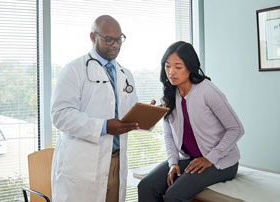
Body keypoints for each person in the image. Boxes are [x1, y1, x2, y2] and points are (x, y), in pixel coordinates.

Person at [137, 41, 245, 202]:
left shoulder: (207, 91)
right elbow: (168, 135)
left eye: (178, 67)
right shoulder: (168, 96)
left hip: (221, 162)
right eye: (167, 66)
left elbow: (236, 129)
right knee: (146, 186)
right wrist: (173, 163)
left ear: (190, 67)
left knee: (174, 195)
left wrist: (210, 158)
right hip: (189, 158)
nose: (171, 72)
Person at [51, 15, 139, 202]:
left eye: (119, 39)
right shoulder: (74, 70)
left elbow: (129, 111)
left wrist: (145, 113)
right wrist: (104, 127)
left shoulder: (125, 74)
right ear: (93, 37)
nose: (115, 45)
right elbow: (60, 115)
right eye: (108, 40)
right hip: (83, 163)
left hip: (115, 160)